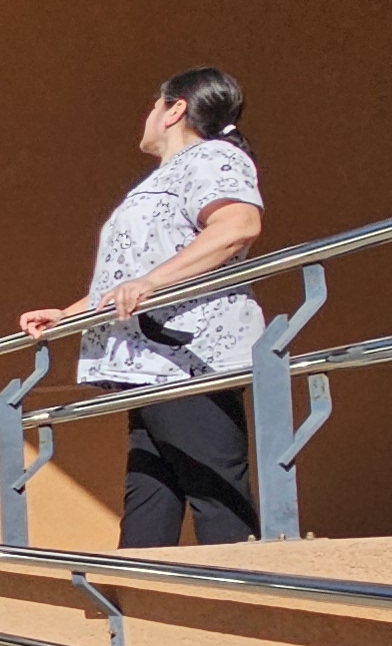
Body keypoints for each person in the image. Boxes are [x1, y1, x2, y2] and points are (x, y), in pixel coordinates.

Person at [19, 67, 270, 548]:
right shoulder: (165, 177)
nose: (148, 116)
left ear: (175, 108)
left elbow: (237, 225)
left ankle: (243, 602)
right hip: (150, 363)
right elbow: (131, 274)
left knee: (214, 488)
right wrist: (71, 314)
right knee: (151, 491)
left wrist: (151, 282)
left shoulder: (214, 157)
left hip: (190, 356)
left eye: (154, 105)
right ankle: (135, 605)